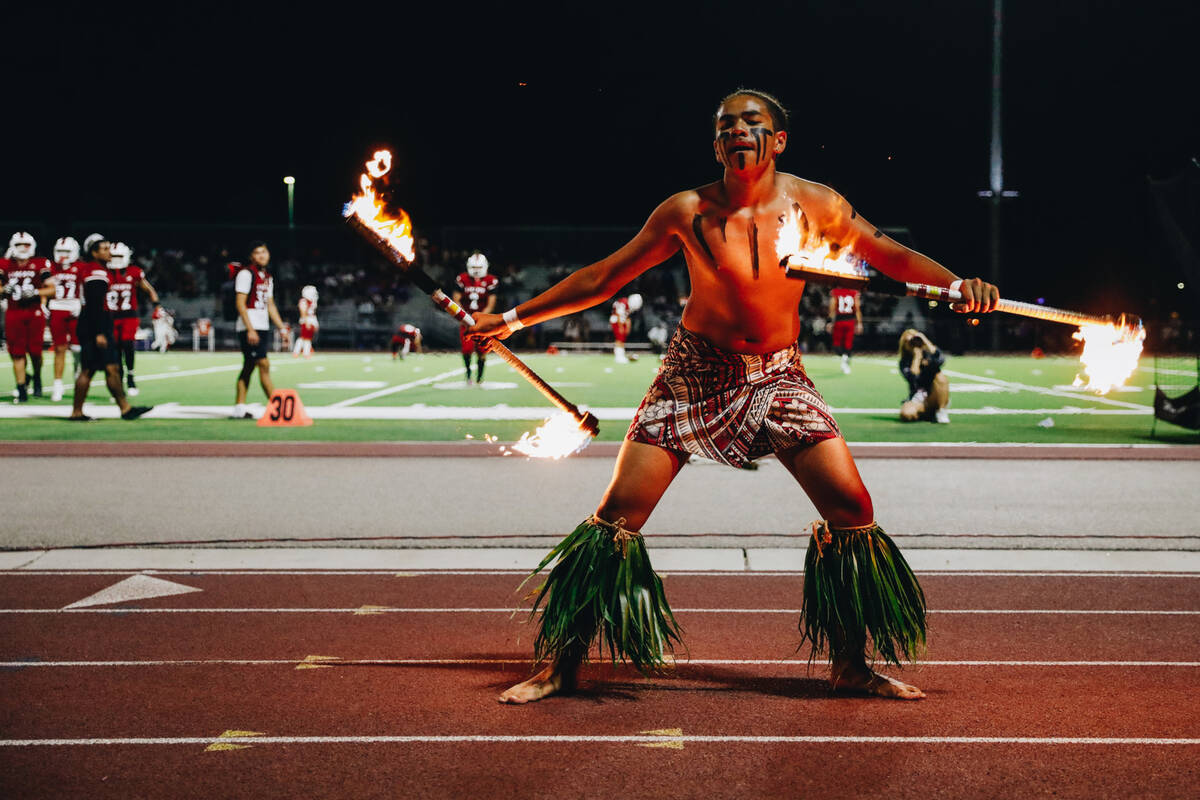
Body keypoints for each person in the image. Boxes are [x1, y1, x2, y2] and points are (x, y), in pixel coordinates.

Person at [467, 89, 998, 704]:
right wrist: (511, 317)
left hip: (779, 376)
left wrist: (958, 283)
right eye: (725, 125)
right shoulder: (684, 210)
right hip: (694, 374)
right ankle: (561, 665)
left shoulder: (817, 204)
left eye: (753, 122)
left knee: (852, 510)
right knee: (616, 519)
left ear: (778, 140)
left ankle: (851, 663)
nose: (738, 130)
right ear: (715, 143)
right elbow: (605, 277)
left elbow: (890, 255)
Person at [68, 235, 152, 421]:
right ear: (94, 252)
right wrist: (99, 332)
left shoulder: (95, 270)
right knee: (88, 369)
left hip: (96, 323)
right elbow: (95, 304)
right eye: (104, 249)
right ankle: (77, 411)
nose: (109, 252)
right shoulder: (96, 272)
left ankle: (125, 408)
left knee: (112, 368)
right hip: (94, 325)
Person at [232, 241, 288, 419]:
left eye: (264, 252)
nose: (262, 256)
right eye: (257, 253)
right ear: (251, 256)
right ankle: (278, 407)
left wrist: (281, 327)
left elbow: (270, 305)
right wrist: (250, 329)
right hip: (250, 325)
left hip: (262, 325)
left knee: (249, 366)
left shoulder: (267, 276)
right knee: (263, 364)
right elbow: (240, 303)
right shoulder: (246, 274)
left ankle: (239, 408)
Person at [1, 232, 55, 402]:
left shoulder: (40, 263)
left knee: (35, 352)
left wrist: (36, 292)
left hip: (34, 312)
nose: (23, 249)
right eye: (19, 245)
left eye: (26, 245)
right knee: (17, 352)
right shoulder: (5, 264)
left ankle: (37, 376)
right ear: (12, 246)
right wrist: (3, 290)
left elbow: (52, 289)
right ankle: (21, 387)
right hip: (14, 312)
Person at [106, 242, 159, 396]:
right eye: (113, 256)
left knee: (128, 345)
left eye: (119, 256)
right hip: (111, 316)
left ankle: (130, 375)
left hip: (129, 315)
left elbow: (149, 289)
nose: (116, 260)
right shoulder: (104, 272)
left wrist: (157, 305)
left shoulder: (134, 272)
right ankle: (120, 382)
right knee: (115, 349)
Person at [452, 252, 498, 384]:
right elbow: (456, 300)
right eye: (474, 268)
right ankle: (468, 374)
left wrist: (481, 318)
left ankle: (480, 377)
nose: (476, 271)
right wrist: (465, 317)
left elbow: (491, 304)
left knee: (482, 350)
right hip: (466, 321)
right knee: (466, 350)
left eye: (479, 268)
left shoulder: (491, 280)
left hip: (482, 321)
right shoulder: (462, 279)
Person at [48, 237, 83, 401]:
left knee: (77, 349)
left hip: (75, 308)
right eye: (60, 251)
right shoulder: (50, 267)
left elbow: (86, 288)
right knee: (59, 349)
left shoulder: (81, 267)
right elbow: (42, 286)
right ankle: (58, 384)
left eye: (66, 252)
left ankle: (78, 381)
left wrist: (82, 304)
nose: (63, 255)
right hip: (57, 307)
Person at [898, 329, 950, 424]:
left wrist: (925, 340)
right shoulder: (904, 362)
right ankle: (929, 414)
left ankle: (941, 410)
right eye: (908, 342)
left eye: (914, 340)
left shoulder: (929, 354)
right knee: (906, 414)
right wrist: (917, 358)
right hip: (918, 398)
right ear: (904, 345)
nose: (912, 344)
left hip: (933, 396)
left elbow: (941, 360)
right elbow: (913, 378)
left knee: (941, 377)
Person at [829, 285, 862, 374]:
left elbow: (832, 308)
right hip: (850, 320)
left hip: (839, 320)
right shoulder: (854, 292)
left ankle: (844, 358)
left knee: (836, 345)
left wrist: (829, 322)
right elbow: (857, 309)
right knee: (848, 344)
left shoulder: (836, 292)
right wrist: (859, 323)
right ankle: (845, 358)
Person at [610, 292, 642, 363]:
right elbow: (618, 314)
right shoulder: (624, 302)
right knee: (619, 338)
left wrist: (627, 327)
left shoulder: (627, 303)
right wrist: (620, 326)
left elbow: (627, 317)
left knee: (622, 339)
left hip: (622, 321)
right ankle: (618, 357)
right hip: (617, 321)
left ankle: (621, 355)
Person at [293, 284, 318, 358]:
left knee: (306, 337)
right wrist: (306, 322)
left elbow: (313, 313)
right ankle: (305, 352)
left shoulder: (312, 302)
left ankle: (298, 351)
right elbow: (303, 312)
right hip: (306, 320)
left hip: (311, 320)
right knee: (305, 337)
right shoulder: (303, 301)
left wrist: (315, 323)